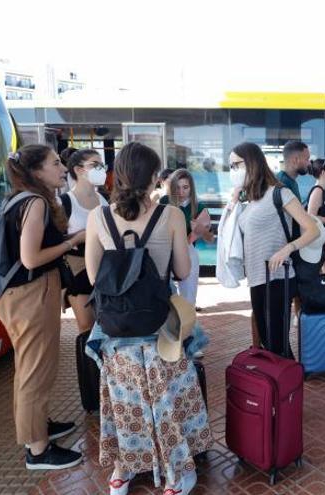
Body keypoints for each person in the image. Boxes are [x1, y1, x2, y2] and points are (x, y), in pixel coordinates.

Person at [84, 142, 212, 495]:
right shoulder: (170, 215)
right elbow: (183, 271)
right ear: (155, 178)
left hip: (116, 329)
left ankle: (122, 472)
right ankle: (176, 475)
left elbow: (95, 277)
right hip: (160, 328)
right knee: (168, 399)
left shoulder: (99, 217)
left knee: (126, 402)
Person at [0, 145, 86, 470]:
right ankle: (38, 451)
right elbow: (31, 258)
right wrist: (72, 242)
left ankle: (39, 428)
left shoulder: (19, 199)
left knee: (30, 368)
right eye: (55, 163)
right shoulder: (35, 203)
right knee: (35, 371)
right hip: (31, 294)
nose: (63, 167)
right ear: (36, 172)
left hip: (23, 295)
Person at [232, 142, 320, 357]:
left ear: (251, 163)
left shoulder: (280, 192)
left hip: (278, 278)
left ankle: (287, 388)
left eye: (236, 165)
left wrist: (286, 249)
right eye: (231, 166)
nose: (233, 171)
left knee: (277, 344)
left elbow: (312, 230)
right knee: (267, 340)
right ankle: (279, 388)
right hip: (257, 278)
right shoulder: (250, 198)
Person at [62, 149, 109, 336]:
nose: (101, 169)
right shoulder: (64, 202)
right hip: (78, 268)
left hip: (104, 268)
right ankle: (86, 365)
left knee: (105, 324)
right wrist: (77, 237)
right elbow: (54, 240)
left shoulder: (103, 199)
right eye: (94, 165)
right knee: (86, 326)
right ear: (79, 170)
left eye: (102, 165)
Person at [161, 169, 213, 311]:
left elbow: (210, 239)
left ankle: (187, 328)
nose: (181, 192)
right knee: (164, 295)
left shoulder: (199, 207)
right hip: (164, 251)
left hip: (188, 252)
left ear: (191, 188)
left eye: (185, 187)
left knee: (188, 298)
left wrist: (202, 231)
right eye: (177, 187)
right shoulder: (164, 202)